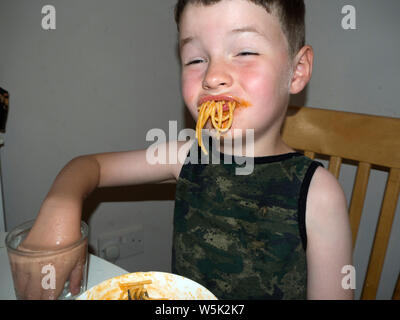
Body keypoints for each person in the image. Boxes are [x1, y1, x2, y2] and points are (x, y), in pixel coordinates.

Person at [18, 0, 353, 299]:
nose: (213, 75)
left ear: (297, 71)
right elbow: (90, 166)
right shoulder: (189, 157)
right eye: (196, 59)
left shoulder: (317, 194)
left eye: (244, 52)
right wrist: (61, 203)